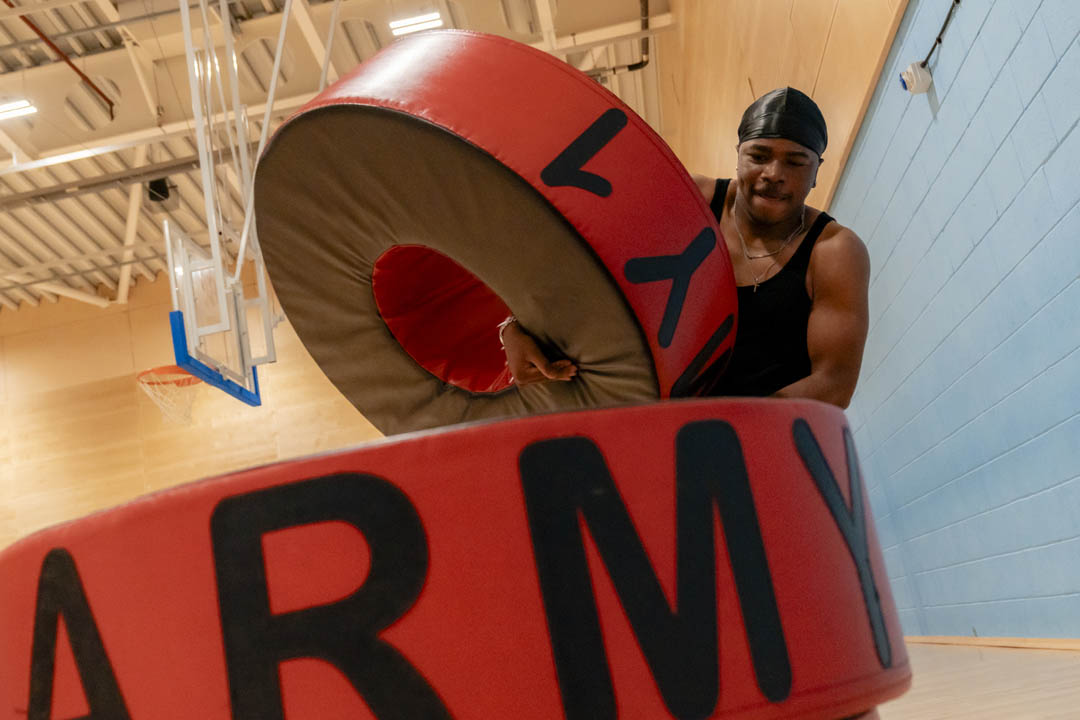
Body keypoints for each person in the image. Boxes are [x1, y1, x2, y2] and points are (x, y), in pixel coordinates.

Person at [500, 87, 870, 409]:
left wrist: (719, 428)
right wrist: (516, 326)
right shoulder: (691, 199)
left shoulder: (834, 251)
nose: (774, 174)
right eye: (759, 156)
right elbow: (590, 260)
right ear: (738, 155)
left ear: (817, 171)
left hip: (764, 441)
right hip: (663, 420)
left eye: (795, 162)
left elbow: (833, 384)